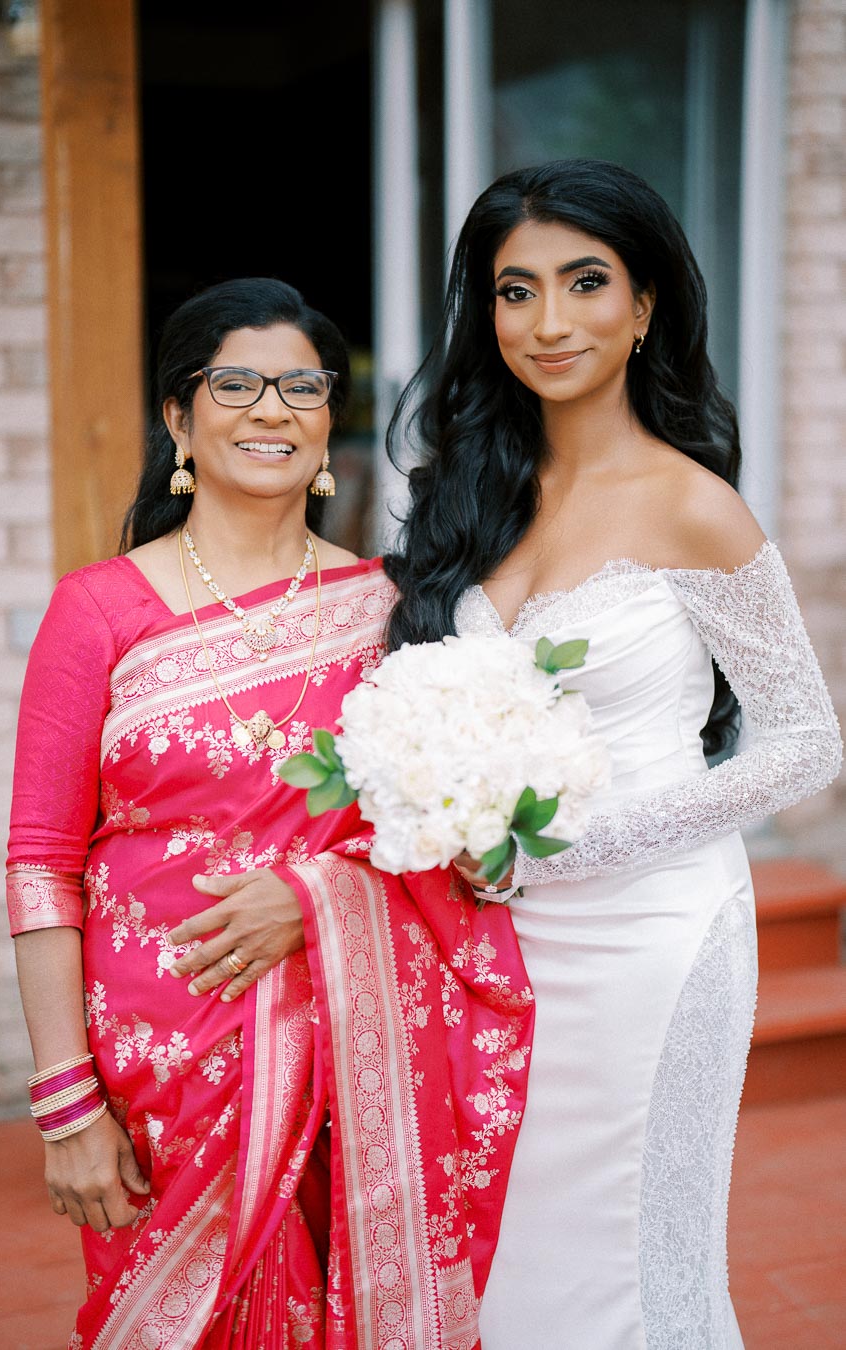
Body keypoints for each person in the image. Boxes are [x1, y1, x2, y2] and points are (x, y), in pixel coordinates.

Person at [6, 277, 533, 1348]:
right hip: (157, 1067)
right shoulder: (97, 608)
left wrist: (318, 898)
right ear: (178, 418)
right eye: (234, 383)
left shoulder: (394, 611)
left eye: (302, 386)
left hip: (348, 1046)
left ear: (329, 418)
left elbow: (442, 841)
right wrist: (68, 1104)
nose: (271, 409)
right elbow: (40, 863)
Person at [383, 160, 842, 1349]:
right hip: (504, 941)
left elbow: (805, 740)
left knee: (638, 1261)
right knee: (516, 1255)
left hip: (654, 932)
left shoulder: (695, 505)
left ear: (644, 308)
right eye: (515, 290)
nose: (549, 322)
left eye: (586, 283)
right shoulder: (473, 498)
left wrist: (578, 847)